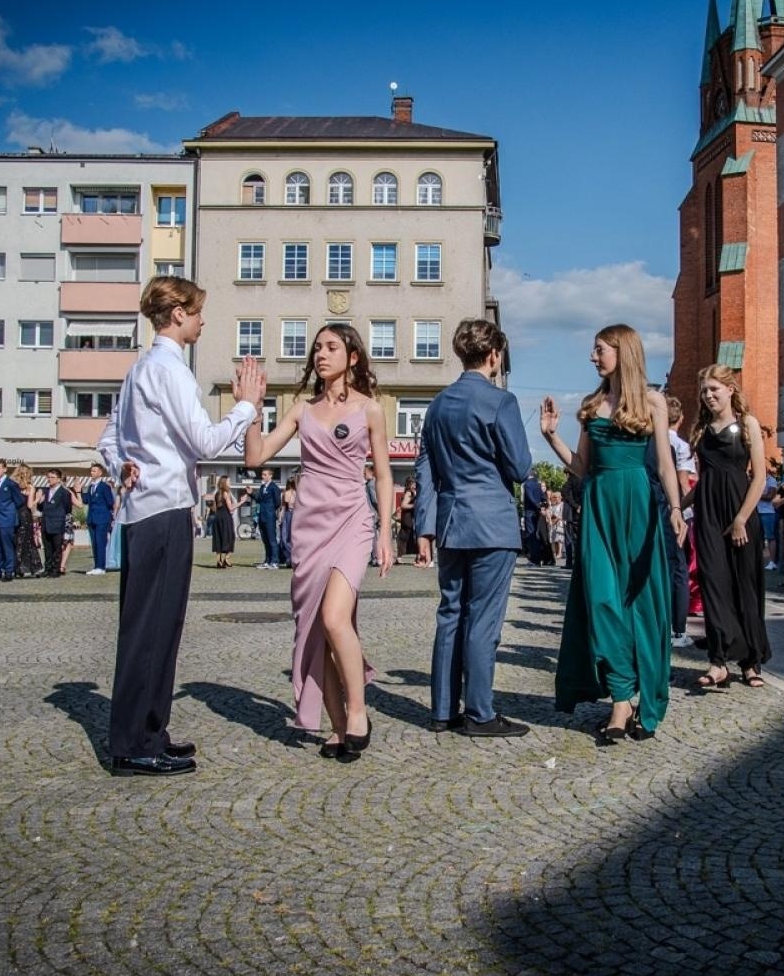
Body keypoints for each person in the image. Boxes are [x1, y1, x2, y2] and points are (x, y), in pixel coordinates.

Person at [98, 275, 262, 777]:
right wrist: (246, 406)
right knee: (154, 629)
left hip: (145, 509)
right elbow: (204, 442)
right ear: (178, 315)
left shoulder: (139, 370)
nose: (202, 321)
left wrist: (122, 466)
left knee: (154, 627)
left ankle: (149, 731)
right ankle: (135, 743)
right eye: (197, 312)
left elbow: (108, 439)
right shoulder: (170, 370)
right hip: (164, 509)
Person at [246, 323, 392, 760]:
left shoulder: (371, 409)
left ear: (353, 357)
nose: (321, 355)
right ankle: (338, 727)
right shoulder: (301, 410)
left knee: (333, 618)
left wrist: (385, 532)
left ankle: (358, 712)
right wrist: (252, 409)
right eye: (317, 349)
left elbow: (384, 475)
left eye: (331, 347)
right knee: (314, 633)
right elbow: (256, 456)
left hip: (352, 520)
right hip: (309, 527)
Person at [541, 324, 686, 744]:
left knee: (642, 604)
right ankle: (621, 699)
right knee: (603, 601)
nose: (593, 356)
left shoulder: (653, 402)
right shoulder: (592, 405)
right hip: (599, 509)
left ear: (623, 352)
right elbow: (580, 467)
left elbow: (664, 464)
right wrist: (551, 436)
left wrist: (676, 509)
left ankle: (640, 699)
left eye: (599, 349)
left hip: (639, 507)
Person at [414, 318, 532, 737]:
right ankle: (480, 712)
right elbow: (520, 467)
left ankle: (443, 710)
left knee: (450, 613)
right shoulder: (501, 401)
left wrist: (424, 526)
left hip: (451, 520)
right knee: (483, 619)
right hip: (492, 522)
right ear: (494, 355)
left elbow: (424, 468)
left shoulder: (438, 404)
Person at [687, 365, 769, 688]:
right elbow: (704, 480)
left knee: (744, 586)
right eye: (704, 391)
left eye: (714, 389)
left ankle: (751, 662)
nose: (708, 396)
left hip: (740, 512)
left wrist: (741, 519)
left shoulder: (747, 424)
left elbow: (759, 477)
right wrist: (677, 506)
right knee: (713, 583)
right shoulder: (701, 429)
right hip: (708, 514)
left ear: (730, 389)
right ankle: (718, 661)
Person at [664, 395, 696, 650]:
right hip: (675, 509)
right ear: (681, 418)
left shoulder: (651, 440)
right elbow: (684, 483)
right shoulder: (680, 446)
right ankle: (678, 629)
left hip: (654, 508)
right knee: (679, 569)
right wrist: (689, 513)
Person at [81, 463, 115, 575]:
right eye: (91, 471)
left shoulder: (104, 487)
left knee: (100, 542)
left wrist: (107, 513)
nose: (92, 473)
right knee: (94, 543)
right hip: (92, 518)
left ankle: (101, 567)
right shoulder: (91, 486)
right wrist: (79, 491)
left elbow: (110, 502)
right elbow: (86, 500)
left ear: (100, 473)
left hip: (102, 518)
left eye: (94, 471)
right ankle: (96, 566)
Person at [38, 469, 72, 577]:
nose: (49, 479)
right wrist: (40, 502)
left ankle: (55, 569)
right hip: (46, 522)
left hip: (57, 523)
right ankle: (47, 568)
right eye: (48, 477)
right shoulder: (45, 491)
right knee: (47, 548)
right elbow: (41, 508)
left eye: (52, 477)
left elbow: (68, 508)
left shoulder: (64, 493)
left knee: (57, 548)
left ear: (58, 479)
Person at [12, 464, 44, 578]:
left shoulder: (14, 486)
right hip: (25, 515)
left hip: (15, 515)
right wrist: (37, 498)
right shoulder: (30, 487)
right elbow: (30, 505)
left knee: (17, 541)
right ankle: (32, 567)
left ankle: (18, 568)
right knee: (28, 542)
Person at [254, 467, 282, 569]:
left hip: (269, 516)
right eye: (262, 474)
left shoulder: (274, 487)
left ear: (270, 476)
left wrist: (270, 510)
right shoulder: (262, 487)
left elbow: (278, 502)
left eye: (265, 474)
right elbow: (259, 499)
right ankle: (267, 560)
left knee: (272, 539)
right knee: (265, 540)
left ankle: (275, 561)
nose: (263, 476)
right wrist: (251, 493)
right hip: (262, 516)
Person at [209, 475, 236, 568]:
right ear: (225, 483)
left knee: (218, 538)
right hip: (225, 518)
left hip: (217, 517)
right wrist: (240, 503)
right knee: (230, 537)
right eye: (229, 481)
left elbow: (214, 508)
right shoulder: (226, 493)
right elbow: (231, 508)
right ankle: (226, 559)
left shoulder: (217, 494)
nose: (230, 483)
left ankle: (219, 561)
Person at [280, 474, 298, 568]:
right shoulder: (288, 493)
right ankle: (290, 558)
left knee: (287, 537)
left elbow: (283, 506)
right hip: (289, 514)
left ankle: (291, 558)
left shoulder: (296, 494)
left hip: (292, 514)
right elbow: (283, 506)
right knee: (286, 537)